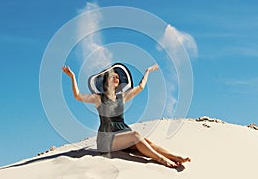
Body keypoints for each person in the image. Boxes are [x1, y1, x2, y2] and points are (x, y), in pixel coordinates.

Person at [62, 63, 191, 168]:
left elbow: (140, 87)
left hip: (122, 134)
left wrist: (147, 71)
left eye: (118, 77)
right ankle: (161, 159)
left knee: (147, 142)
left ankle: (174, 156)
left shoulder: (122, 97)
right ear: (106, 80)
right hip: (106, 140)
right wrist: (72, 76)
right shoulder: (99, 98)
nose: (116, 78)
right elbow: (77, 96)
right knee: (135, 135)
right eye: (113, 76)